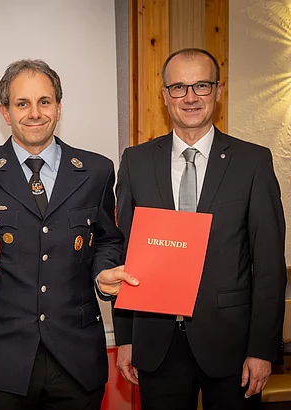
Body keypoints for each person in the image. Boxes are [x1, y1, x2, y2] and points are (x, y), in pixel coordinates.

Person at [0, 59, 138, 410]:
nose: (35, 113)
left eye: (44, 102)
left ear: (59, 107)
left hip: (76, 356)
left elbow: (107, 239)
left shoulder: (96, 170)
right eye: (22, 103)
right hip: (0, 357)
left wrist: (102, 274)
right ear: (5, 112)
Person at [112, 48, 287, 410]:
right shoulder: (135, 162)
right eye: (178, 87)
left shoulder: (253, 162)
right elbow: (124, 253)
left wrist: (262, 348)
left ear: (218, 91)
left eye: (201, 85)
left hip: (233, 346)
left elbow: (269, 265)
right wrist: (127, 337)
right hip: (157, 344)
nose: (190, 97)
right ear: (165, 96)